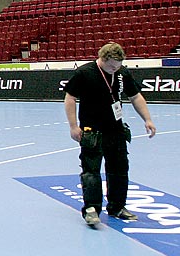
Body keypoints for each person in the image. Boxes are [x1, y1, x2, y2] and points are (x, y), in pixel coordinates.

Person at [63, 42, 156, 228]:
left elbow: (135, 96)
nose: (115, 69)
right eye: (112, 66)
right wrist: (73, 126)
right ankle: (91, 209)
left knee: (119, 171)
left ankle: (117, 207)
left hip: (116, 131)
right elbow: (70, 97)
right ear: (103, 59)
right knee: (91, 172)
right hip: (92, 132)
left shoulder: (122, 73)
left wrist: (147, 119)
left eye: (118, 65)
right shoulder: (85, 73)